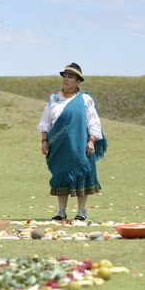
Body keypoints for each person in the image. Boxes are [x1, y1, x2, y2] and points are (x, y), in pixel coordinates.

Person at [37, 62, 107, 221]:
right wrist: (44, 141)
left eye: (70, 77)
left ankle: (81, 212)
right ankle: (61, 211)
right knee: (60, 175)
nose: (66, 79)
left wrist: (92, 140)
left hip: (80, 145)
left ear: (78, 81)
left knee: (81, 176)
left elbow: (93, 121)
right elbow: (45, 122)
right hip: (58, 145)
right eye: (65, 76)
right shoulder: (54, 98)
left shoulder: (85, 99)